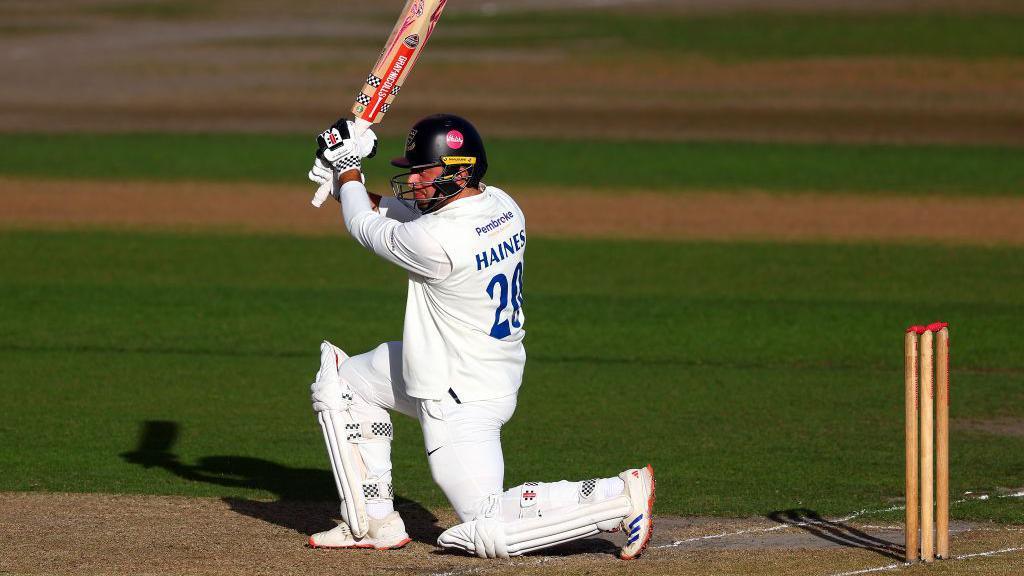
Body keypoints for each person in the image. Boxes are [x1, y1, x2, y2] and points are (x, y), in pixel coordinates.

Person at [304, 113, 655, 559]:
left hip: (457, 393)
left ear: (460, 170)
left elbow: (367, 227)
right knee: (345, 383)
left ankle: (618, 497)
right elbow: (395, 215)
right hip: (475, 368)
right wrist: (342, 180)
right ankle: (373, 522)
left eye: (423, 170)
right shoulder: (502, 205)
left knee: (486, 523)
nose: (415, 181)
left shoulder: (437, 242)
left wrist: (349, 169)